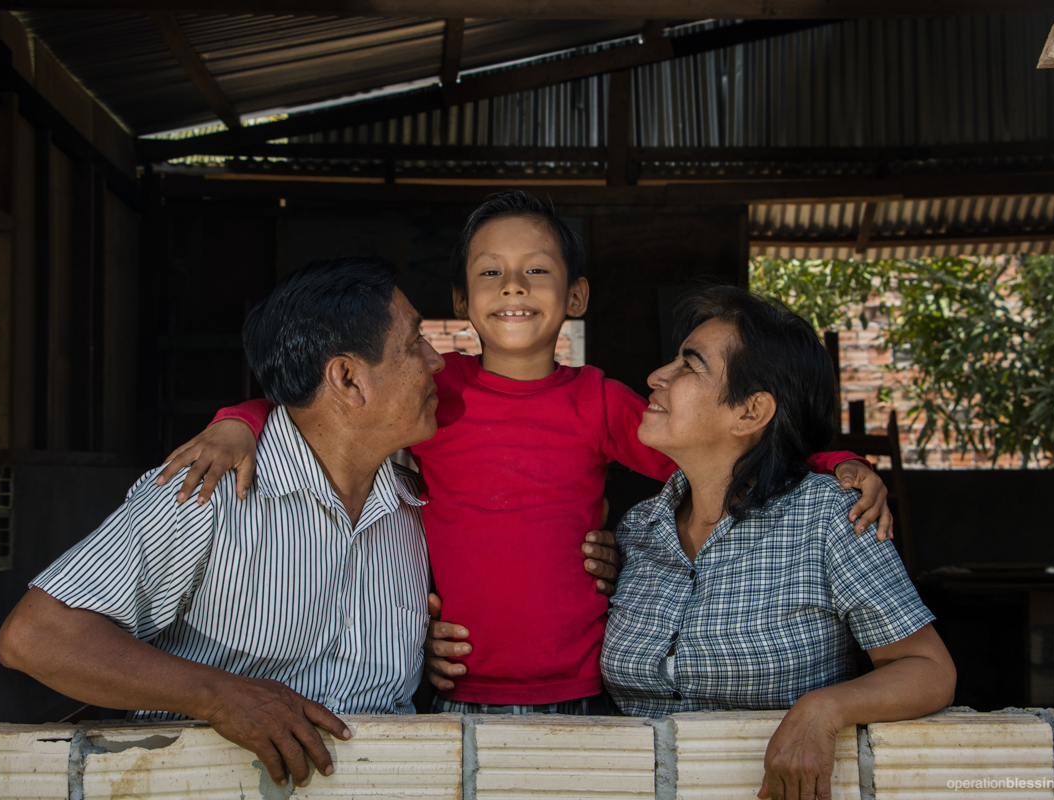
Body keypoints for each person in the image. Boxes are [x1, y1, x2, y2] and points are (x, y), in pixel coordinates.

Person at [163, 191, 892, 716]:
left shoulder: (600, 400)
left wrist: (832, 465)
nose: (513, 284)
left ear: (576, 295)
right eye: (490, 272)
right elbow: (325, 409)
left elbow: (722, 458)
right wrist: (238, 423)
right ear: (461, 299)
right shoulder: (431, 393)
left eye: (537, 270)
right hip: (454, 684)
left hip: (584, 687)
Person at [0, 258, 449, 789]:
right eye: (415, 343)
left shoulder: (415, 499)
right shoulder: (207, 491)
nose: (437, 360)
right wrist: (219, 695)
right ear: (347, 378)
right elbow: (36, 636)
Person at [599, 286, 956, 800]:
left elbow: (929, 670)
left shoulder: (828, 517)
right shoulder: (638, 530)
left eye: (689, 365)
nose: (657, 376)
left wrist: (824, 708)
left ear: (750, 412)